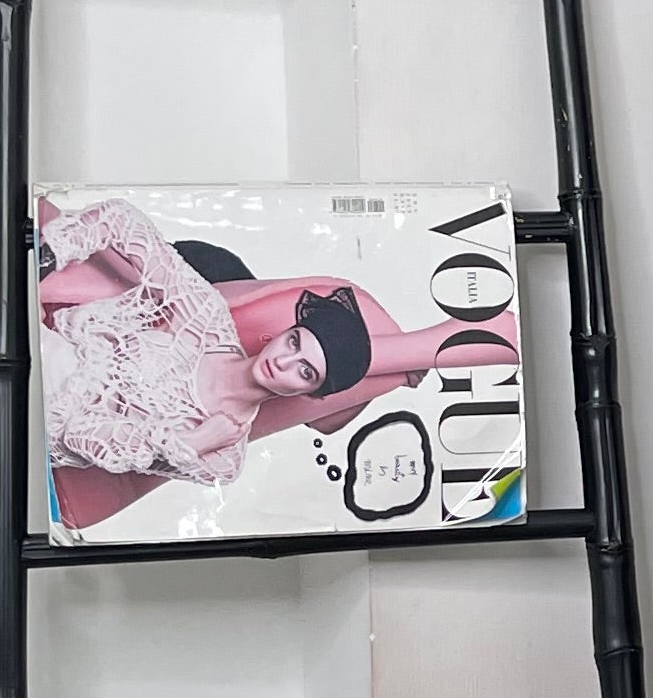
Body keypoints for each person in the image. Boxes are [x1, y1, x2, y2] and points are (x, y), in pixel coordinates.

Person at [34, 197, 457, 532]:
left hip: (29, 426)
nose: (284, 361)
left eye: (305, 371)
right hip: (31, 343)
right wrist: (50, 255)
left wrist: (191, 441)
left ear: (310, 394)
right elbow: (121, 221)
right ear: (282, 334)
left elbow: (77, 438)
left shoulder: (224, 455)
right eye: (294, 342)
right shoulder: (205, 318)